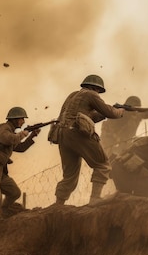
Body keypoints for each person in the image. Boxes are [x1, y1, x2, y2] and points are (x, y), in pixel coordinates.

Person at [51, 74, 124, 205]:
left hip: (63, 134)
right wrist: (120, 111)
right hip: (78, 133)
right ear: (95, 88)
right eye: (99, 91)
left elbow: (88, 116)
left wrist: (104, 113)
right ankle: (95, 198)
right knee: (103, 164)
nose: (98, 93)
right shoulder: (91, 94)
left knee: (69, 175)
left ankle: (58, 203)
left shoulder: (72, 95)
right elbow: (111, 113)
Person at [0, 107, 40, 223]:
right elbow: (6, 139)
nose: (23, 122)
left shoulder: (11, 133)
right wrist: (23, 134)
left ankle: (1, 212)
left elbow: (20, 148)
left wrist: (31, 136)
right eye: (22, 119)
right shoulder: (4, 128)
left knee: (15, 192)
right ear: (15, 119)